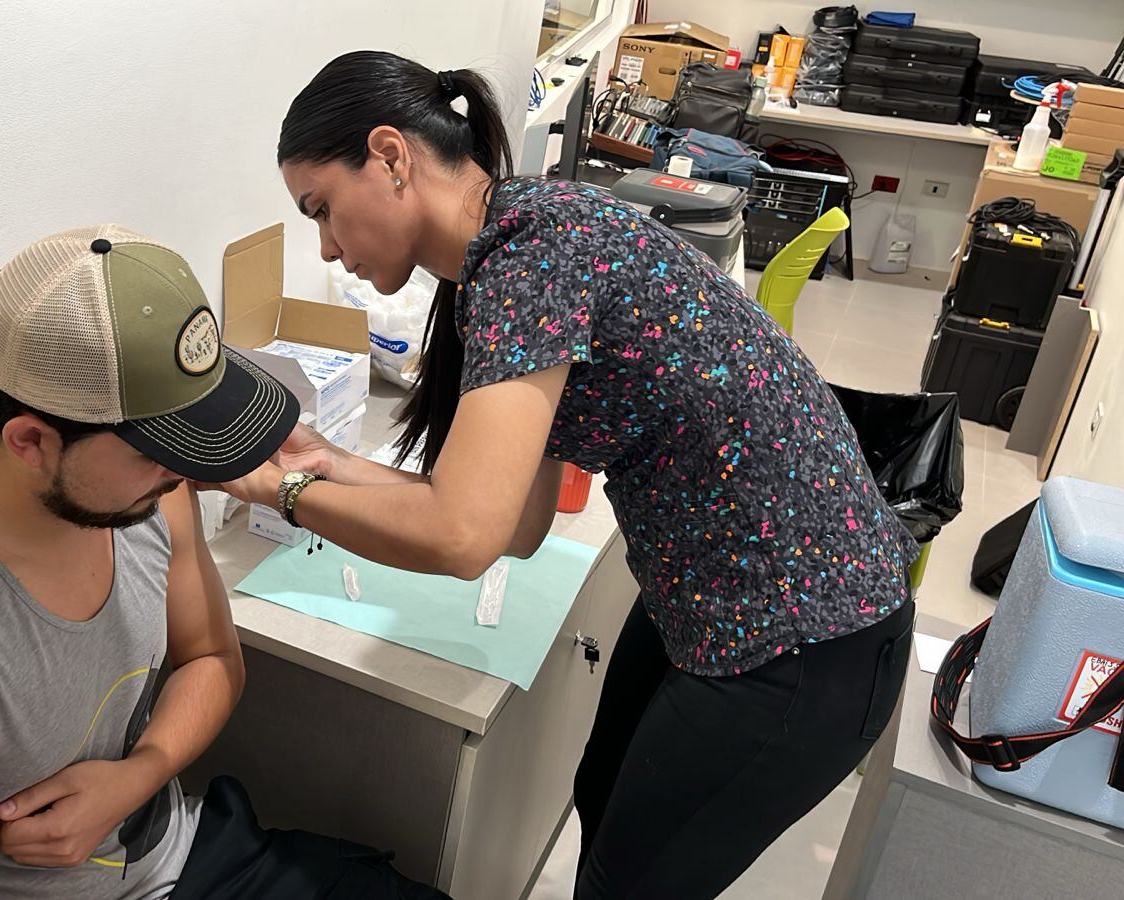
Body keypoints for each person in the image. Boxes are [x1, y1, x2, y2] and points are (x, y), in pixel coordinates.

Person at [210, 52, 918, 899]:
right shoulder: (509, 247)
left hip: (807, 632)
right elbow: (513, 523)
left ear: (392, 156)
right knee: (603, 799)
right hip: (714, 598)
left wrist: (283, 492)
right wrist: (337, 465)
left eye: (322, 210)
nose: (327, 247)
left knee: (634, 877)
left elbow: (464, 539)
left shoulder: (529, 257)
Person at [0, 225, 448, 900]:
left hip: (185, 852)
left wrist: (137, 776)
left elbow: (212, 659)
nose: (189, 471)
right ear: (30, 441)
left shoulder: (141, 491)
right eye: (157, 451)